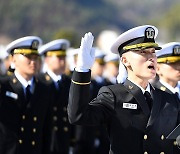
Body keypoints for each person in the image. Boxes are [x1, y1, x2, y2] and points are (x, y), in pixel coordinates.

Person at [68, 25, 180, 153]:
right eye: (143, 51)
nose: (151, 57)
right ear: (125, 60)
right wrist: (82, 71)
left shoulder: (169, 99)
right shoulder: (114, 95)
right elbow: (78, 116)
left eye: (153, 51)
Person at [0, 36, 53, 154]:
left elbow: (47, 128)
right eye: (28, 57)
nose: (33, 62)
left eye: (35, 57)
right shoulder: (4, 86)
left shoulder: (44, 88)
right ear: (13, 59)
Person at [38, 39, 73, 154]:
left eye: (64, 57)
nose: (62, 61)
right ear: (47, 59)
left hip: (64, 138)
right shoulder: (40, 81)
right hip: (47, 138)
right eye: (59, 57)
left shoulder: (68, 82)